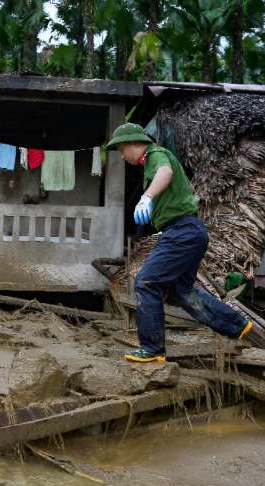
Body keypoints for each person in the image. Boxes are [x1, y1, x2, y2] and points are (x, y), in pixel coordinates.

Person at [106, 123, 253, 363]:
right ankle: (236, 325)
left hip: (182, 232)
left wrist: (147, 197)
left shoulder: (156, 154)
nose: (122, 156)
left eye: (122, 150)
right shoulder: (149, 162)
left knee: (146, 281)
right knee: (180, 291)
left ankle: (152, 349)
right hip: (188, 232)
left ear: (134, 143)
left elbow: (165, 172)